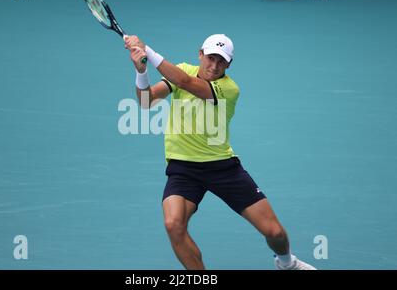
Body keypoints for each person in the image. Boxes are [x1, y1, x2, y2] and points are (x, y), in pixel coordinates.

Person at [124, 34, 316, 270]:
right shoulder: (183, 70)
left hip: (222, 167)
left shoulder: (229, 88)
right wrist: (141, 71)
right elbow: (146, 102)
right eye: (211, 58)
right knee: (173, 224)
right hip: (183, 168)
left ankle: (287, 263)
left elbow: (185, 82)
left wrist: (147, 49)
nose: (214, 66)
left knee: (274, 232)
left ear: (228, 65)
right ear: (200, 54)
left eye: (221, 62)